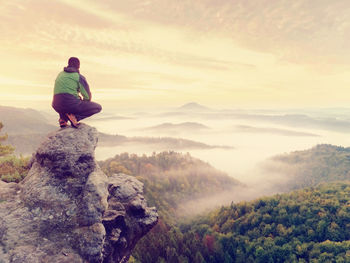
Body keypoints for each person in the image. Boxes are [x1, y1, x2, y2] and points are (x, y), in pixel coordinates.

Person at [52, 57, 102, 128]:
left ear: (68, 64)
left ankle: (63, 119)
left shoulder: (60, 74)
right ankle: (75, 118)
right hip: (70, 104)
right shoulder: (78, 77)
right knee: (98, 107)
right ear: (78, 66)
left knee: (63, 100)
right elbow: (87, 96)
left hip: (56, 105)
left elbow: (61, 91)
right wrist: (82, 102)